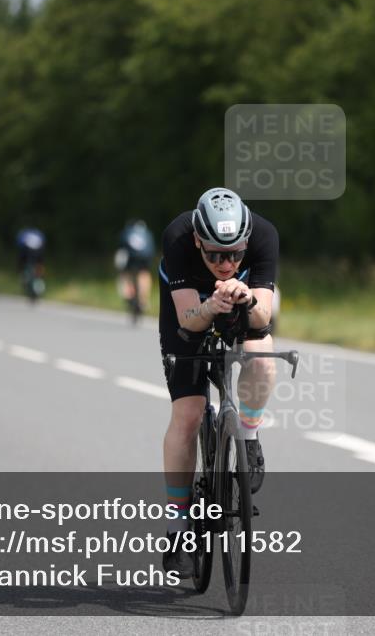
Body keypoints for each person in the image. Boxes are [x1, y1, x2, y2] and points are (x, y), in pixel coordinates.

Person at [158, 187, 278, 577]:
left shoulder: (264, 235)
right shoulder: (178, 237)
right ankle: (178, 528)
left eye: (235, 254)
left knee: (262, 359)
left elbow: (263, 319)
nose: (226, 264)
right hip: (189, 311)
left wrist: (246, 299)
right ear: (198, 240)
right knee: (189, 414)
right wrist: (210, 305)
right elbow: (187, 320)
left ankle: (249, 436)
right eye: (214, 255)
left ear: (247, 241)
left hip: (241, 305)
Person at [115, 219, 155, 314]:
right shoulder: (148, 233)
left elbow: (121, 247)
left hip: (131, 257)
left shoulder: (126, 231)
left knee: (125, 274)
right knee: (144, 274)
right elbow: (152, 249)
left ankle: (128, 295)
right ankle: (143, 300)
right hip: (145, 257)